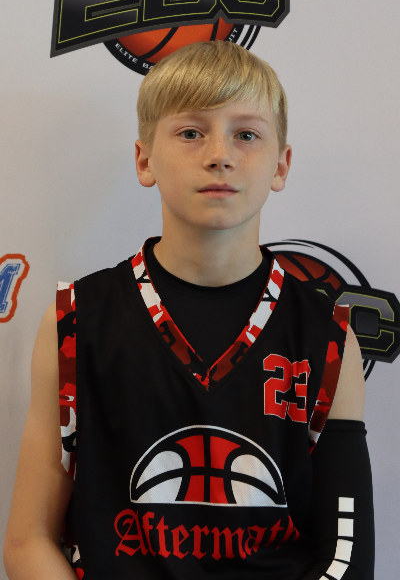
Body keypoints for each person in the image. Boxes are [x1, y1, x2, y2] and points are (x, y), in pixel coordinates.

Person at [3, 40, 374, 579]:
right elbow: (28, 541)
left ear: (281, 165)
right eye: (191, 132)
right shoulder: (76, 319)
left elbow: (346, 556)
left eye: (246, 134)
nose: (219, 153)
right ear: (144, 159)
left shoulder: (329, 337)